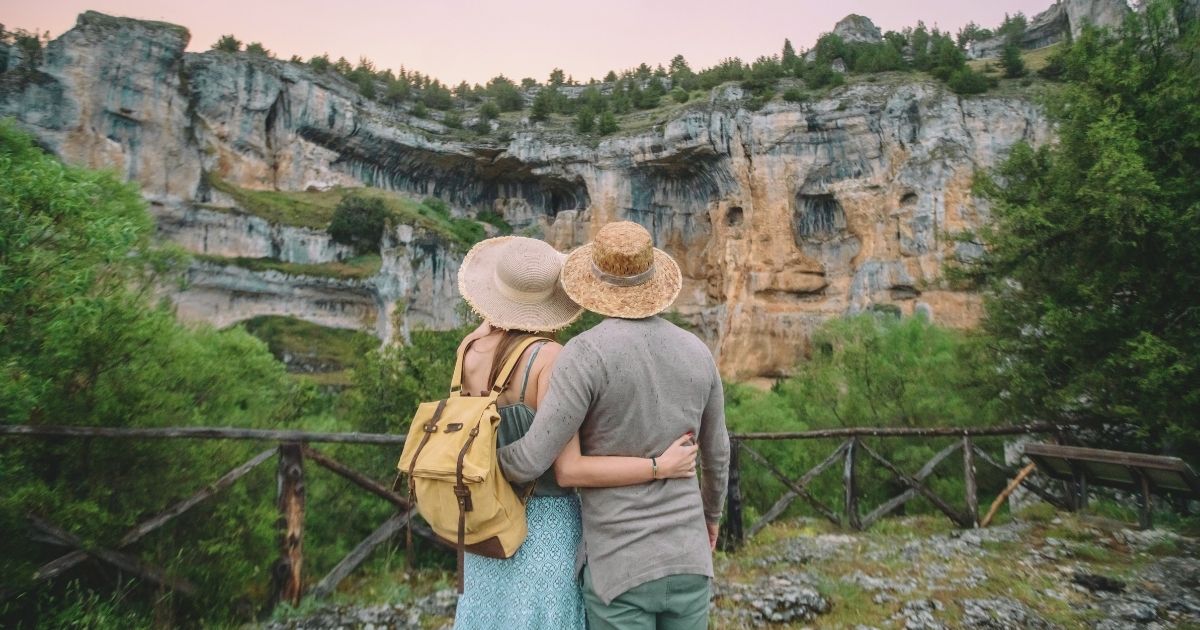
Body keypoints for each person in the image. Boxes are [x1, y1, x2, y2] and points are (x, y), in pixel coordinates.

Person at [451, 235, 699, 630]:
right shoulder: (551, 358)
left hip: (484, 517)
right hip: (542, 524)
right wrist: (658, 466)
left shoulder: (469, 348)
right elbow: (570, 470)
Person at [498, 221, 731, 630]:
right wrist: (710, 519)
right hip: (689, 556)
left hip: (619, 566)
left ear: (594, 286)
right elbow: (717, 455)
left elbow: (533, 458)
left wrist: (481, 457)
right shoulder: (698, 352)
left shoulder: (584, 354)